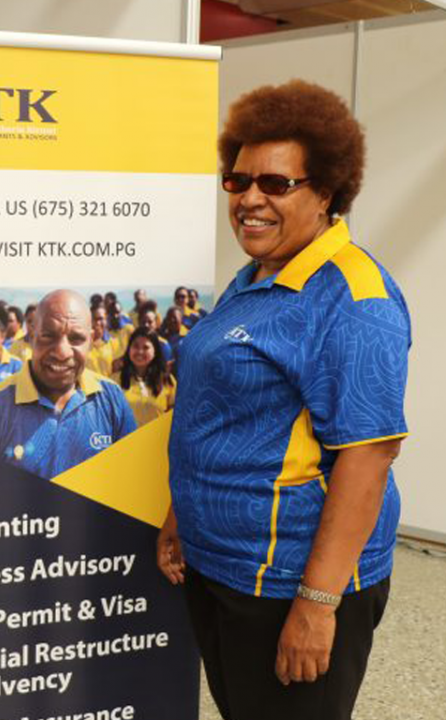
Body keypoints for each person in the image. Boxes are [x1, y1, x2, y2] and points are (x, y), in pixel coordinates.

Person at [158, 80, 410, 720]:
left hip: (289, 582)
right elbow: (229, 413)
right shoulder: (258, 276)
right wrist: (182, 513)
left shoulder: (354, 299)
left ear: (326, 191)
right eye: (238, 181)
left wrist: (317, 606)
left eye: (275, 184)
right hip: (223, 567)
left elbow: (368, 458)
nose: (249, 199)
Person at [0, 289, 137, 479]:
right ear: (32, 336)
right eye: (48, 336)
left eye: (76, 339)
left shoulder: (111, 397)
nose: (62, 352)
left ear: (92, 340)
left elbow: (133, 475)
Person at [119, 328, 176, 427]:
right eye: (135, 346)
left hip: (157, 440)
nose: (140, 352)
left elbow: (176, 416)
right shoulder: (115, 380)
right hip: (126, 441)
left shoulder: (167, 380)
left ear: (155, 352)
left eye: (146, 347)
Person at [85, 304, 115, 378]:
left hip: (108, 388)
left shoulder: (114, 343)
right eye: (94, 319)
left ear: (106, 319)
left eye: (101, 319)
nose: (98, 323)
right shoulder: (82, 344)